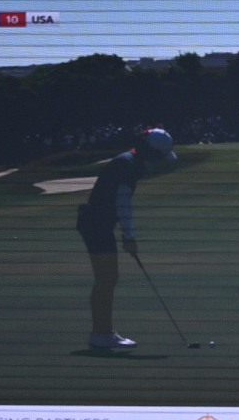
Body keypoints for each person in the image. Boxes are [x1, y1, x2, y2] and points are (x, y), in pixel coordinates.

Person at [76, 126, 177, 349]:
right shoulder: (128, 165)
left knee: (107, 279)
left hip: (96, 222)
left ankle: (101, 332)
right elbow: (122, 203)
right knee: (107, 278)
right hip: (96, 223)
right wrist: (128, 236)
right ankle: (102, 334)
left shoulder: (130, 161)